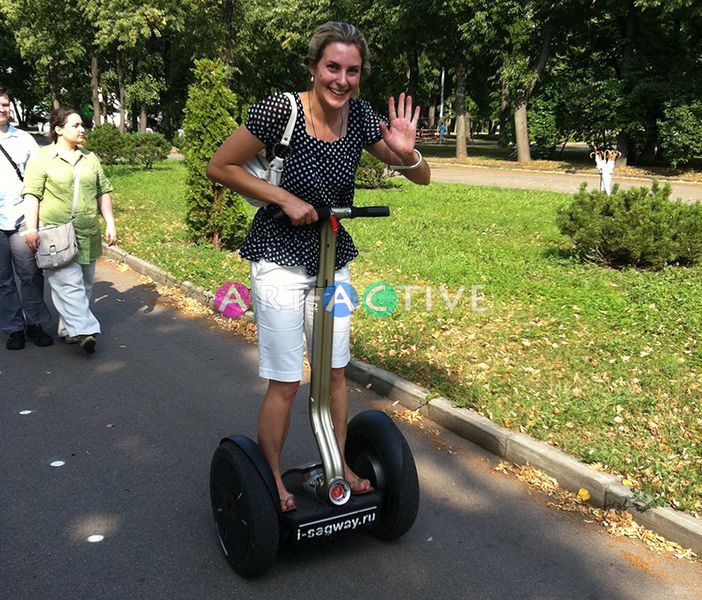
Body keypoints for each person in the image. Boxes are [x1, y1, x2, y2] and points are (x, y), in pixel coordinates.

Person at [207, 21, 430, 513]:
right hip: (279, 257)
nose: (342, 80)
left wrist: (407, 151)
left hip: (332, 255)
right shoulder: (279, 110)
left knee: (334, 373)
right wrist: (283, 198)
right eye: (333, 67)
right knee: (287, 381)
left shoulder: (363, 118)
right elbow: (221, 166)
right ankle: (271, 480)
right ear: (314, 67)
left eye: (352, 71)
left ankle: (339, 464)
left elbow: (424, 179)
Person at [22, 107, 117, 355]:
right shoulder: (43, 158)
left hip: (87, 231)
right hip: (56, 232)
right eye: (75, 125)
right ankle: (85, 330)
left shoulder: (90, 158)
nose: (82, 129)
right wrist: (31, 228)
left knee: (84, 285)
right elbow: (32, 195)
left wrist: (110, 223)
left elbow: (102, 192)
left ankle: (68, 329)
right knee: (68, 284)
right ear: (58, 129)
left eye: (82, 125)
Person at [0, 86, 53, 350]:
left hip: (21, 217)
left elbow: (41, 176)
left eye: (6, 104)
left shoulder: (23, 140)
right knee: (3, 279)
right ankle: (14, 328)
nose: (2, 109)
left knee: (30, 274)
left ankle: (34, 324)